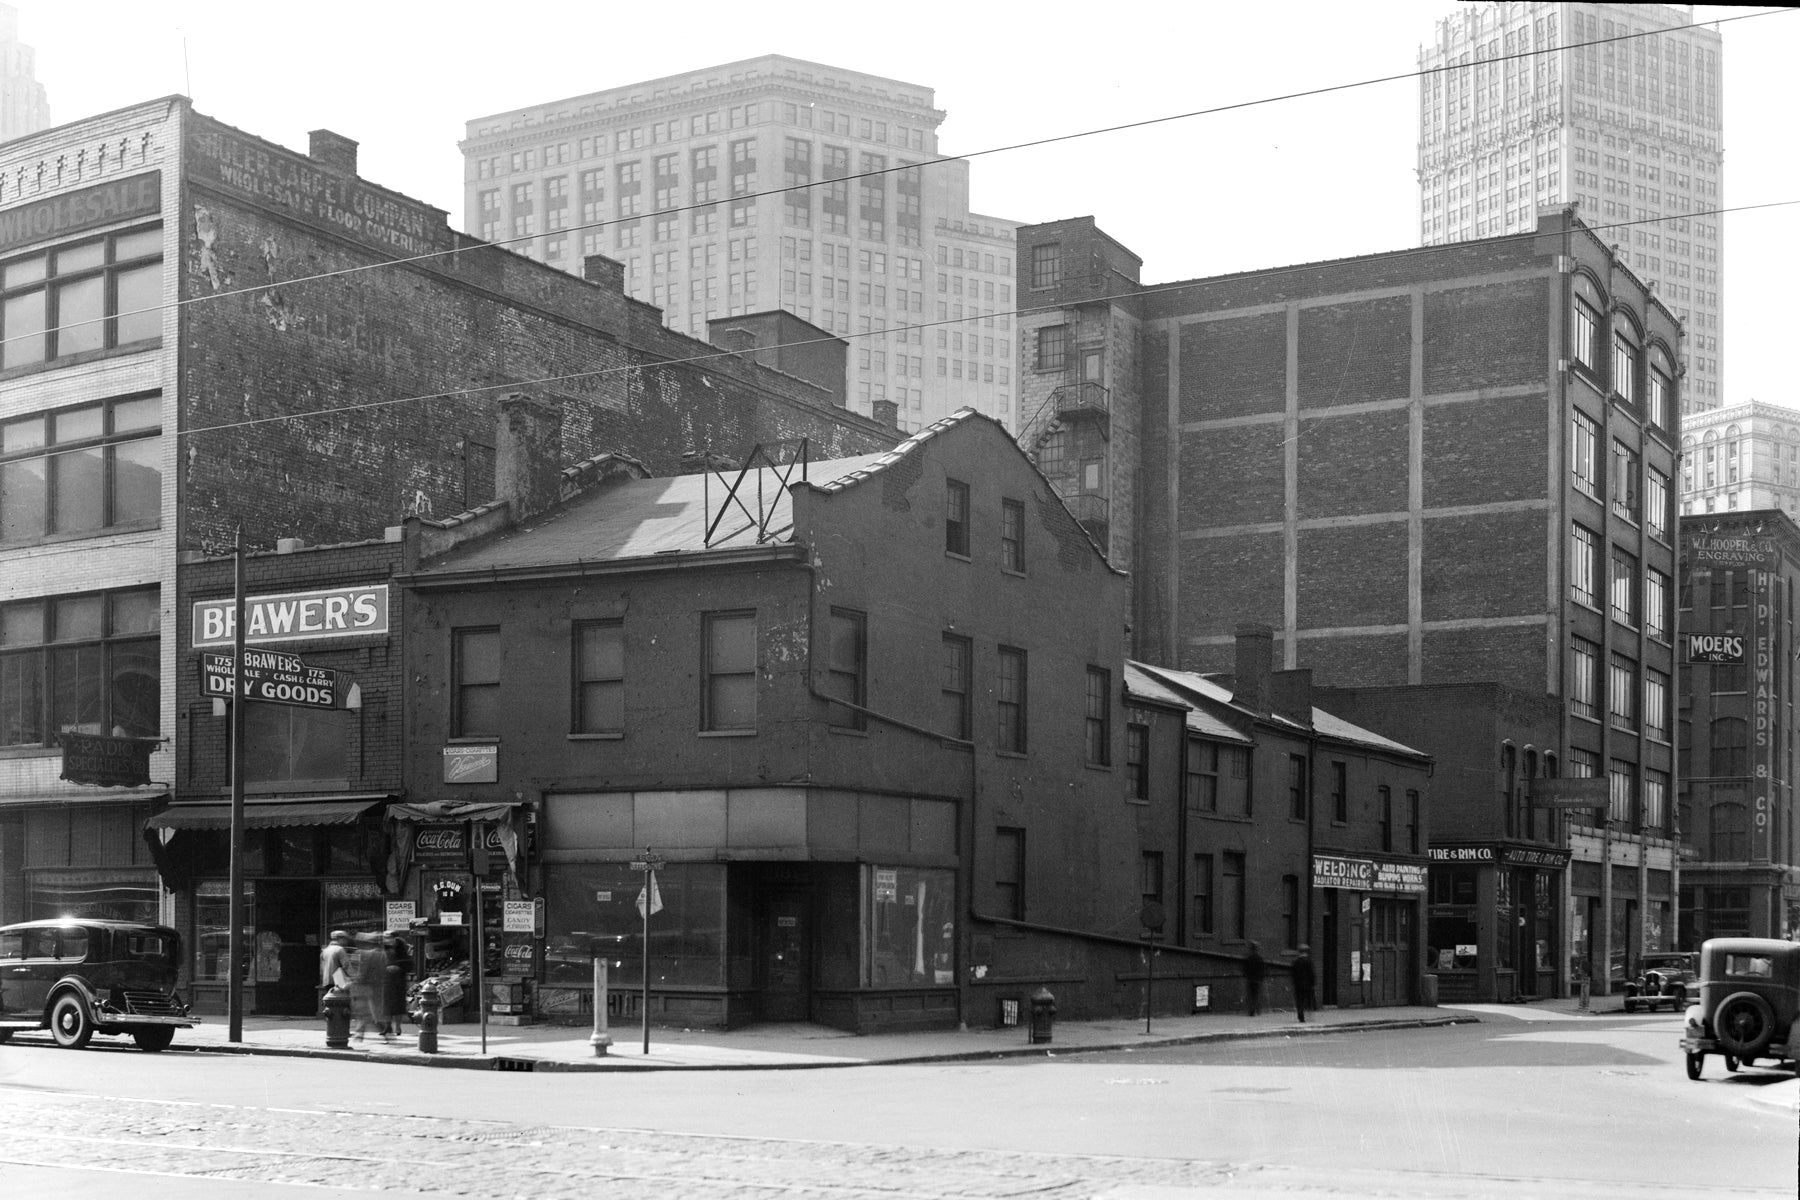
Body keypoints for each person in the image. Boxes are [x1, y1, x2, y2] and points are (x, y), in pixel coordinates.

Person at [348, 932, 391, 1043]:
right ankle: (385, 1033)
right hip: (379, 986)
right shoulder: (384, 954)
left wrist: (353, 981)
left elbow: (362, 972)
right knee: (375, 1013)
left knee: (363, 1013)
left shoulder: (365, 954)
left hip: (365, 987)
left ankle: (359, 1035)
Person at [382, 931, 413, 1038]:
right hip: (386, 980)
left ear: (395, 938)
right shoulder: (383, 949)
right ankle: (387, 1026)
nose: (387, 939)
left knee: (398, 1005)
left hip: (398, 979)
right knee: (386, 1004)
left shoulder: (401, 949)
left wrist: (397, 966)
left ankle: (398, 1026)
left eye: (389, 937)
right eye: (386, 937)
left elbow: (408, 964)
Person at [318, 929, 352, 1014]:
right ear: (340, 939)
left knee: (331, 1004)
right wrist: (353, 977)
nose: (346, 942)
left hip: (327, 980)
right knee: (343, 1004)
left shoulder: (325, 950)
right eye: (345, 939)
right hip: (339, 980)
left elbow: (322, 967)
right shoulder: (340, 950)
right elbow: (346, 965)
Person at [1291, 944, 1316, 1023]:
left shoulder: (1296, 962)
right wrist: (1313, 983)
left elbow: (1293, 973)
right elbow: (1311, 973)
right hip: (1307, 984)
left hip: (1298, 984)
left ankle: (1300, 1014)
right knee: (1306, 999)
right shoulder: (1309, 961)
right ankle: (1306, 1014)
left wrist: (1294, 982)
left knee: (1299, 1000)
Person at [1242, 942, 1267, 1016]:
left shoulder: (1248, 958)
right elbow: (1262, 969)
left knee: (1250, 995)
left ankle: (1251, 1010)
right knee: (1257, 995)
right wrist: (1262, 977)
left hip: (1250, 979)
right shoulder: (1260, 958)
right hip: (1258, 979)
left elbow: (1245, 969)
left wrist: (1246, 976)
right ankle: (1257, 1009)